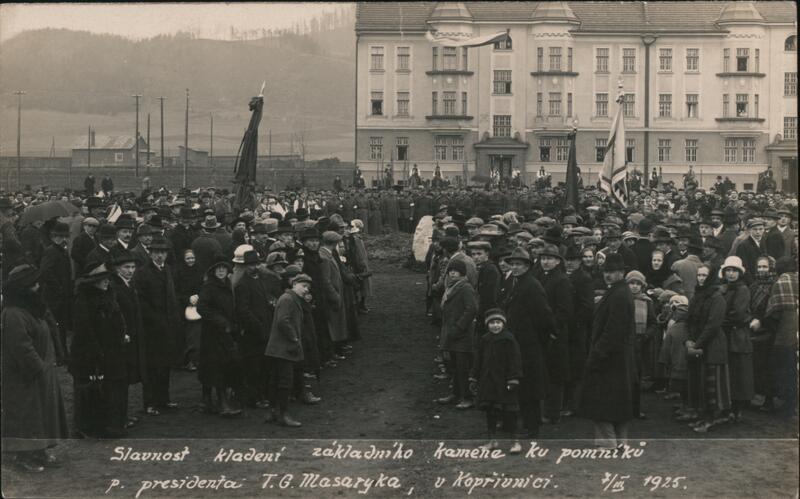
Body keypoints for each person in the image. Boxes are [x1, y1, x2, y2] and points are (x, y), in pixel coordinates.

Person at [2, 264, 68, 472]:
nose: (38, 287)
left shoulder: (33, 309)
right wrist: (38, 368)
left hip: (41, 373)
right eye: (33, 284)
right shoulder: (13, 314)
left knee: (41, 415)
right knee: (25, 416)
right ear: (23, 288)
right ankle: (23, 456)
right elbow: (20, 346)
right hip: (24, 376)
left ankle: (40, 450)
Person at [579, 253, 636, 449]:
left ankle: (608, 443)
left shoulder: (619, 294)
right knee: (618, 403)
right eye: (606, 272)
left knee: (603, 402)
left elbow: (613, 330)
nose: (608, 275)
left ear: (622, 272)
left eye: (613, 272)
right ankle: (620, 442)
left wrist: (597, 353)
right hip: (618, 357)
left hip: (610, 357)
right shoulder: (620, 291)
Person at [501, 246, 555, 438]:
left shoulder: (532, 286)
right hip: (517, 343)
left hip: (529, 345)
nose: (514, 267)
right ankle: (527, 422)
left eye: (519, 264)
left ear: (527, 266)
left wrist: (538, 340)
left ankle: (532, 427)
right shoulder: (515, 283)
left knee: (529, 387)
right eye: (512, 264)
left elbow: (545, 318)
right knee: (521, 385)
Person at [71, 260, 128, 438]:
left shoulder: (108, 295)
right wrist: (96, 352)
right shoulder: (84, 300)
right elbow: (85, 330)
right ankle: (87, 427)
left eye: (108, 278)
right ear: (92, 281)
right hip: (90, 353)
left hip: (111, 351)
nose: (106, 281)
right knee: (89, 388)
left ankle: (108, 425)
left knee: (108, 388)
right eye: (102, 279)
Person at [135, 234, 180, 415]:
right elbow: (142, 301)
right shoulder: (143, 273)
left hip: (167, 324)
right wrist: (155, 319)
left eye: (163, 253)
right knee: (152, 366)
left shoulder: (167, 270)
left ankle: (164, 399)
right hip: (152, 327)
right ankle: (150, 402)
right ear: (151, 254)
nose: (160, 256)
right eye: (156, 253)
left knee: (165, 364)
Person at [683, 265, 730, 433]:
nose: (701, 278)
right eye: (699, 275)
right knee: (699, 382)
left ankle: (710, 419)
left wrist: (697, 344)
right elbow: (689, 320)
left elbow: (712, 325)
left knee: (711, 385)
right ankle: (700, 415)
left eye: (704, 275)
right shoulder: (698, 295)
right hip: (699, 344)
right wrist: (689, 339)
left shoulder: (717, 298)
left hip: (713, 346)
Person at [469, 309, 523, 454]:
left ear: (503, 323)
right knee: (490, 412)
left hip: (504, 383)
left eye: (498, 322)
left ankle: (515, 441)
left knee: (509, 412)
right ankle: (492, 440)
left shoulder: (509, 339)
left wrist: (513, 378)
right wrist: (474, 377)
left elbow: (515, 360)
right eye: (492, 323)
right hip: (488, 383)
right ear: (487, 325)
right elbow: (478, 360)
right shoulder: (485, 339)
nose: (495, 326)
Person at [264, 273, 312, 427]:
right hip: (283, 348)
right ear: (294, 284)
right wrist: (294, 338)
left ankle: (273, 412)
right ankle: (283, 414)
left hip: (278, 348)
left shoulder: (291, 298)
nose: (306, 290)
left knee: (275, 380)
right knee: (284, 381)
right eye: (303, 286)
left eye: (308, 288)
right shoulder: (288, 299)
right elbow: (283, 321)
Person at [197, 257, 242, 417]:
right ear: (213, 271)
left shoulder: (226, 285)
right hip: (212, 334)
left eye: (224, 268)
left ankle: (207, 401)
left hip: (225, 333)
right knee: (216, 367)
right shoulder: (209, 287)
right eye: (218, 269)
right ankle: (220, 403)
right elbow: (202, 308)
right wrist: (221, 321)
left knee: (219, 366)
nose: (221, 271)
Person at [108, 250, 146, 430]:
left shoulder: (129, 285)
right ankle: (119, 417)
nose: (131, 271)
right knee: (119, 381)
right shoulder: (116, 288)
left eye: (133, 267)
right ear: (117, 269)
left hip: (132, 337)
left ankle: (123, 414)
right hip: (122, 339)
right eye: (126, 267)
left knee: (125, 379)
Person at [436, 259, 478, 409]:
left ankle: (467, 397)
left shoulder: (465, 288)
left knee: (463, 367)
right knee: (454, 366)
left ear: (462, 273)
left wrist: (459, 327)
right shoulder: (452, 287)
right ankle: (456, 394)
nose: (453, 273)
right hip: (453, 333)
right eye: (451, 271)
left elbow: (471, 309)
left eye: (456, 271)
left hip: (462, 335)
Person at [234, 249, 273, 409]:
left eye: (256, 264)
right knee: (253, 367)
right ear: (244, 266)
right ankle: (254, 397)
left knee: (263, 364)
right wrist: (257, 325)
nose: (253, 267)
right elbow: (243, 311)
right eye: (250, 265)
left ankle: (262, 394)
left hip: (264, 328)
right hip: (252, 332)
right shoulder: (242, 284)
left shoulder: (261, 279)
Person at [719, 256, 754, 423]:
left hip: (737, 335)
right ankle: (728, 407)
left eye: (734, 271)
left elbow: (739, 314)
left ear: (739, 273)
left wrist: (721, 320)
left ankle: (737, 409)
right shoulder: (723, 289)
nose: (731, 274)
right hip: (726, 334)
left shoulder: (742, 289)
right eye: (728, 271)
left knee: (738, 372)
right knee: (729, 372)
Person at [763, 257, 798, 417]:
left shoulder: (780, 283)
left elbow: (773, 312)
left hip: (784, 332)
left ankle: (786, 405)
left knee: (783, 369)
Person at [39, 221, 73, 356]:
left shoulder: (60, 250)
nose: (63, 239)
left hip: (61, 295)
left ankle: (62, 352)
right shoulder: (51, 251)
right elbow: (45, 271)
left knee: (61, 326)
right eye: (60, 236)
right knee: (56, 326)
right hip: (54, 296)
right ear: (53, 237)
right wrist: (58, 287)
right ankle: (60, 354)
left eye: (65, 236)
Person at [174, 249, 204, 371]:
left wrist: (199, 296)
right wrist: (187, 299)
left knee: (197, 335)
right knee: (187, 336)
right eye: (188, 258)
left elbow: (204, 286)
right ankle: (188, 360)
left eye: (192, 258)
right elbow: (176, 292)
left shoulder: (200, 270)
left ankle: (196, 359)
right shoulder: (178, 272)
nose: (191, 260)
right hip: (183, 307)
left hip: (198, 306)